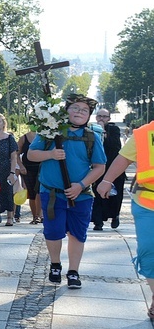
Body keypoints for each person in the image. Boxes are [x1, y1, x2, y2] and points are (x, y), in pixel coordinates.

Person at [27, 94, 106, 289]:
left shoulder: (91, 137)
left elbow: (99, 166)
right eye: (75, 108)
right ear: (66, 111)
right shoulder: (49, 132)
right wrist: (51, 154)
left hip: (81, 195)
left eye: (84, 110)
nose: (80, 112)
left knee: (78, 234)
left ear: (89, 116)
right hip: (52, 193)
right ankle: (55, 264)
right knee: (53, 231)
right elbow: (30, 155)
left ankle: (73, 271)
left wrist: (80, 185)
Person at [97, 119, 154, 319]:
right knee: (148, 250)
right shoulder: (144, 133)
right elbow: (123, 159)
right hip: (147, 202)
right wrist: (106, 180)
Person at [91, 108, 125, 230]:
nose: (102, 118)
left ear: (109, 119)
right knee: (97, 195)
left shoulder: (114, 129)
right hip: (98, 167)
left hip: (113, 166)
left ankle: (115, 215)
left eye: (104, 117)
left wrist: (103, 132)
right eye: (99, 116)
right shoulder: (92, 130)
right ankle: (98, 221)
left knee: (115, 195)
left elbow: (115, 145)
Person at [0, 113, 19, 226]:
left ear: (3, 124)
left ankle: (10, 217)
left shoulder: (9, 138)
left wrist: (12, 172)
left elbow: (14, 157)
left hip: (6, 168)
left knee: (8, 192)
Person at [16, 127, 43, 224]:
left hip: (41, 167)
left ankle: (40, 215)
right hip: (28, 168)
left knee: (39, 191)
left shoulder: (44, 136)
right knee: (31, 193)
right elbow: (17, 153)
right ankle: (35, 216)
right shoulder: (24, 138)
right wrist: (21, 166)